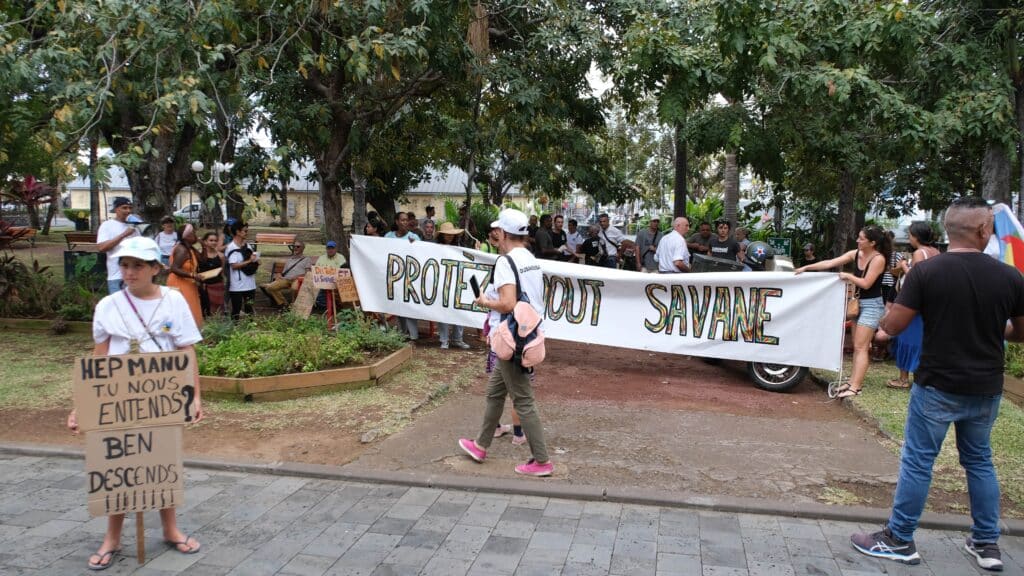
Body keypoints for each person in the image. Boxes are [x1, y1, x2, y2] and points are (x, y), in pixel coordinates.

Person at [850, 198, 1024, 571]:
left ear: (949, 230)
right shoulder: (1010, 276)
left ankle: (899, 539)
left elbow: (891, 328)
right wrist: (995, 326)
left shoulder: (927, 273)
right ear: (983, 230)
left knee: (918, 461)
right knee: (979, 461)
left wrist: (886, 324)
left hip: (937, 384)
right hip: (986, 387)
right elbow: (1019, 332)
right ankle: (986, 544)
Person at [66, 236, 203, 571]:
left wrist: (194, 394)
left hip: (162, 397)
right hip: (117, 399)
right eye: (124, 265)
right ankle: (112, 538)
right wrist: (82, 405)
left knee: (161, 464)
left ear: (155, 268)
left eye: (137, 265)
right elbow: (99, 356)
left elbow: (185, 349)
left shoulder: (173, 300)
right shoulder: (108, 306)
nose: (129, 272)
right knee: (117, 469)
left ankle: (170, 529)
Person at [459, 208, 553, 477]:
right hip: (526, 334)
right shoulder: (530, 259)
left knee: (523, 400)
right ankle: (480, 445)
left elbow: (508, 303)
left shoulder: (505, 262)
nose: (494, 236)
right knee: (495, 392)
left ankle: (542, 461)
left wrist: (484, 301)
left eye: (496, 231)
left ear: (503, 233)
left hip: (512, 339)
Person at [795, 225, 890, 398]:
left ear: (872, 242)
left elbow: (867, 283)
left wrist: (849, 277)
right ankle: (852, 381)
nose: (858, 240)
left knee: (861, 347)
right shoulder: (856, 253)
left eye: (861, 238)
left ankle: (856, 386)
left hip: (872, 305)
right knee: (857, 346)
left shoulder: (878, 259)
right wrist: (806, 268)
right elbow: (830, 263)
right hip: (858, 304)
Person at [882, 223, 940, 389]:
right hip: (929, 304)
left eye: (910, 235)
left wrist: (904, 266)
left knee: (906, 339)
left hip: (915, 303)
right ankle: (922, 376)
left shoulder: (918, 253)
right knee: (922, 339)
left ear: (916, 237)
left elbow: (916, 278)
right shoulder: (936, 252)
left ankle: (903, 379)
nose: (909, 238)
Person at [435, 224, 471, 349]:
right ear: (441, 235)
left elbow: (469, 259)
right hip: (441, 283)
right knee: (442, 311)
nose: (449, 236)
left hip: (457, 282)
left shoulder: (459, 248)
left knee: (459, 310)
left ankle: (457, 338)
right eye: (447, 233)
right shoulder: (434, 247)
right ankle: (444, 339)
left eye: (451, 233)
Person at [96, 197, 140, 294]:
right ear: (116, 209)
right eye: (124, 208)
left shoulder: (134, 227)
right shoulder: (107, 225)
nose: (128, 211)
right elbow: (102, 248)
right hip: (116, 276)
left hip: (135, 276)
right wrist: (124, 234)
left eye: (130, 208)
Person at [165, 224, 204, 328]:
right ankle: (169, 334)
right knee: (179, 311)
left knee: (188, 310)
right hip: (179, 284)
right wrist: (192, 275)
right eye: (193, 233)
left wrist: (201, 245)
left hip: (187, 282)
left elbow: (202, 259)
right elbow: (174, 268)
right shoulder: (181, 250)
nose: (196, 235)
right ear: (187, 236)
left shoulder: (189, 248)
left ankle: (189, 336)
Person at [260, 241, 313, 309]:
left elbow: (307, 273)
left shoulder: (306, 259)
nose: (295, 248)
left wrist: (297, 277)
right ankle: (284, 304)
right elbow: (284, 273)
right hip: (286, 279)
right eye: (294, 246)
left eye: (298, 246)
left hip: (298, 279)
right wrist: (279, 275)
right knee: (270, 287)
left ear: (303, 248)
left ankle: (294, 304)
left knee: (294, 288)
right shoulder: (290, 259)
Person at [225, 220, 258, 320]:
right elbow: (234, 266)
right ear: (238, 232)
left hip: (250, 283)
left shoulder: (247, 246)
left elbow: (252, 259)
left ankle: (250, 328)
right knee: (236, 309)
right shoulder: (230, 247)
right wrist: (249, 261)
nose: (247, 233)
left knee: (249, 307)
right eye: (245, 231)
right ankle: (234, 330)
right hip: (237, 285)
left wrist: (256, 260)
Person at [196, 231, 225, 317]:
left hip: (217, 286)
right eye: (211, 240)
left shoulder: (221, 256)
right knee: (204, 310)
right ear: (205, 241)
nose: (214, 242)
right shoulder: (199, 255)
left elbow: (222, 272)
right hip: (203, 286)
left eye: (215, 240)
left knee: (217, 312)